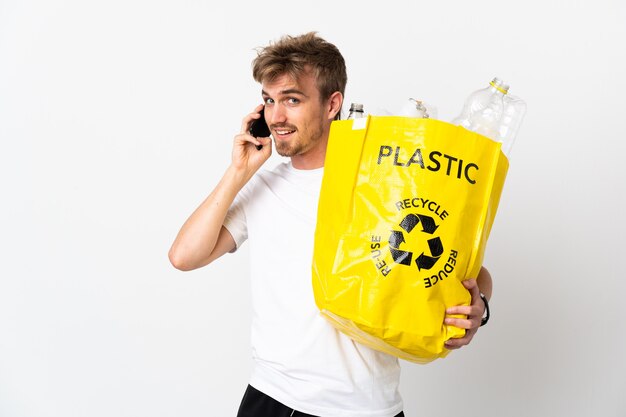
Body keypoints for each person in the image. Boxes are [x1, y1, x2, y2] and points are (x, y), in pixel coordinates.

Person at [169, 32, 492, 417]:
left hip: (370, 407)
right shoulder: (264, 188)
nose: (276, 117)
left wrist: (479, 304)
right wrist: (238, 171)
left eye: (292, 99)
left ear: (331, 104)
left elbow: (468, 269)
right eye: (268, 101)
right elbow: (184, 256)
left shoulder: (382, 183)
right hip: (275, 399)